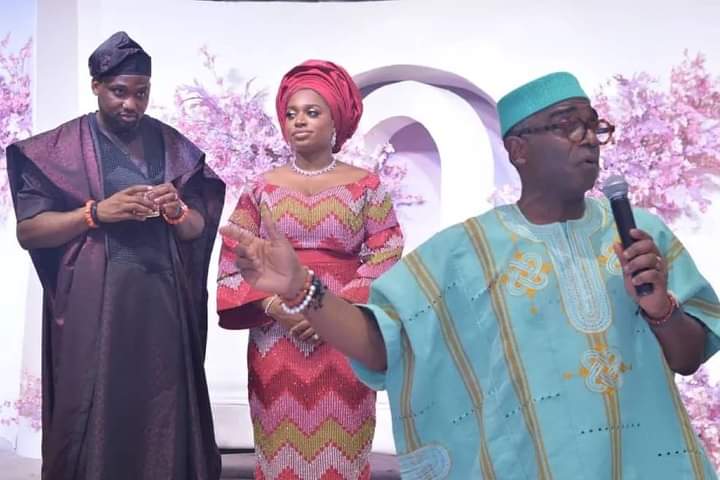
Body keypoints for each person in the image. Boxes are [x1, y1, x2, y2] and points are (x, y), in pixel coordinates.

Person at [220, 72, 720, 479]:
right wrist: (299, 289)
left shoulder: (641, 234)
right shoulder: (467, 251)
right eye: (568, 125)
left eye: (594, 125)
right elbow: (383, 342)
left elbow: (689, 356)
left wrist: (661, 308)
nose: (588, 137)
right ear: (518, 150)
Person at [6, 32, 224, 480]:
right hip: (95, 308)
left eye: (141, 93)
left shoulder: (170, 144)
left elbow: (197, 228)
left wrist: (177, 211)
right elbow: (29, 232)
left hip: (162, 306)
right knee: (96, 408)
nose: (131, 104)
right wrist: (95, 213)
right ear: (96, 86)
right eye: (119, 92)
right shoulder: (61, 148)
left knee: (163, 409)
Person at [217, 60, 404, 479]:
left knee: (344, 443)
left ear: (336, 120)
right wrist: (274, 306)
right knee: (278, 445)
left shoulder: (367, 186)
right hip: (276, 336)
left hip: (344, 334)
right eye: (291, 113)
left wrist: (335, 311)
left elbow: (387, 252)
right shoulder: (260, 187)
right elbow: (234, 256)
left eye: (312, 112)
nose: (299, 121)